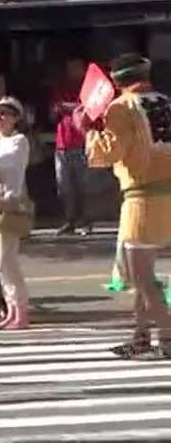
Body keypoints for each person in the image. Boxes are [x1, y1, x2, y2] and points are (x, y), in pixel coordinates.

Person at [85, 53, 171, 359]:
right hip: (167, 193)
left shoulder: (121, 107)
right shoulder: (165, 101)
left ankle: (166, 336)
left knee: (141, 276)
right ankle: (141, 336)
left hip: (142, 196)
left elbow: (109, 152)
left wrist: (89, 130)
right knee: (142, 274)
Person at [0, 97, 33, 330]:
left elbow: (3, 166)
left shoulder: (19, 141)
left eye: (5, 114)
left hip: (11, 203)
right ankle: (11, 310)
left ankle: (21, 310)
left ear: (16, 118)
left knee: (7, 259)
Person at [52, 57, 92, 235]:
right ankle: (70, 219)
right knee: (64, 185)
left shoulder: (88, 88)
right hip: (62, 143)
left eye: (76, 67)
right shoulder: (60, 88)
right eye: (70, 67)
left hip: (82, 141)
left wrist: (68, 107)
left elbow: (89, 108)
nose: (72, 70)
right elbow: (54, 110)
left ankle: (85, 221)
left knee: (83, 184)